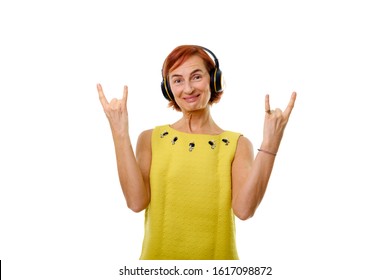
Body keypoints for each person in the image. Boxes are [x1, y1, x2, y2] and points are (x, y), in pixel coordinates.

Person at [97, 45, 296, 260]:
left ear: (214, 80)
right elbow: (136, 203)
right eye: (177, 80)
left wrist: (271, 141)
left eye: (196, 76)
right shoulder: (150, 139)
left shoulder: (237, 144)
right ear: (168, 88)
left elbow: (244, 210)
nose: (188, 88)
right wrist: (119, 131)